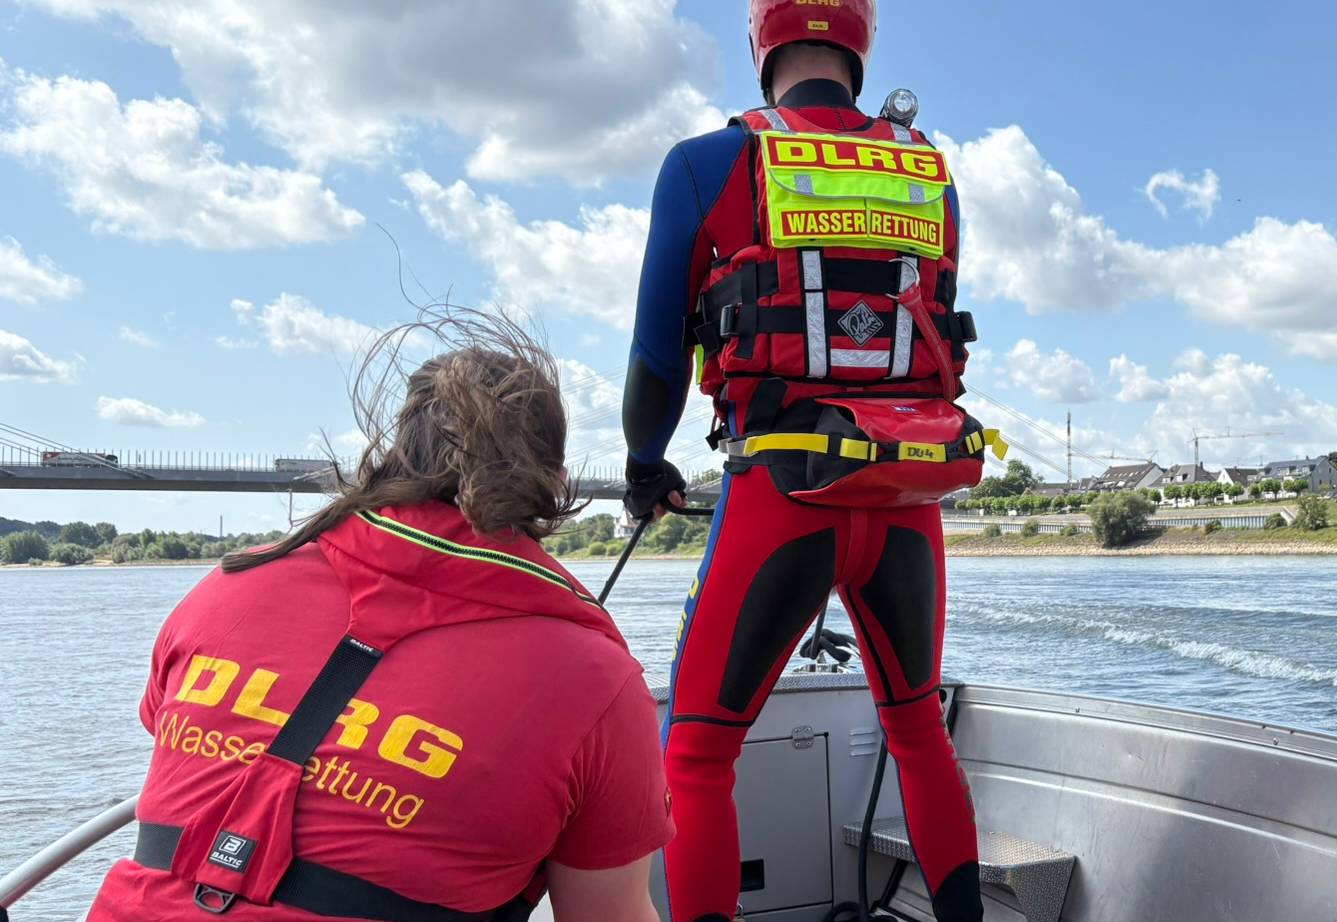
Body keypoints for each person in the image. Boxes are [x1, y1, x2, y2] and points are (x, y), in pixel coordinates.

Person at [89, 309, 672, 922]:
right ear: (553, 483)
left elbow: (172, 740)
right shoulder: (596, 680)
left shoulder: (228, 584)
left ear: (395, 455)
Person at [620, 1, 993, 919]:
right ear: (859, 44)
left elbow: (658, 354)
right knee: (917, 735)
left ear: (761, 42)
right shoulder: (928, 169)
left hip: (781, 491)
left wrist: (643, 463)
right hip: (905, 495)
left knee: (699, 757)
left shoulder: (706, 161)